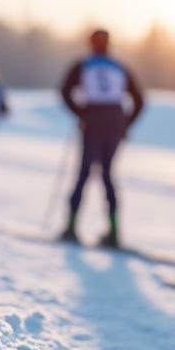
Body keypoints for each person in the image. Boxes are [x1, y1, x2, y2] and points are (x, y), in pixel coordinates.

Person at [58, 29, 144, 249]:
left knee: (84, 174)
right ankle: (114, 232)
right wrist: (126, 123)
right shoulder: (120, 65)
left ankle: (70, 226)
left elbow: (64, 91)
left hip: (93, 119)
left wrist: (80, 113)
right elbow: (140, 99)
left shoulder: (83, 64)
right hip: (115, 119)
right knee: (108, 175)